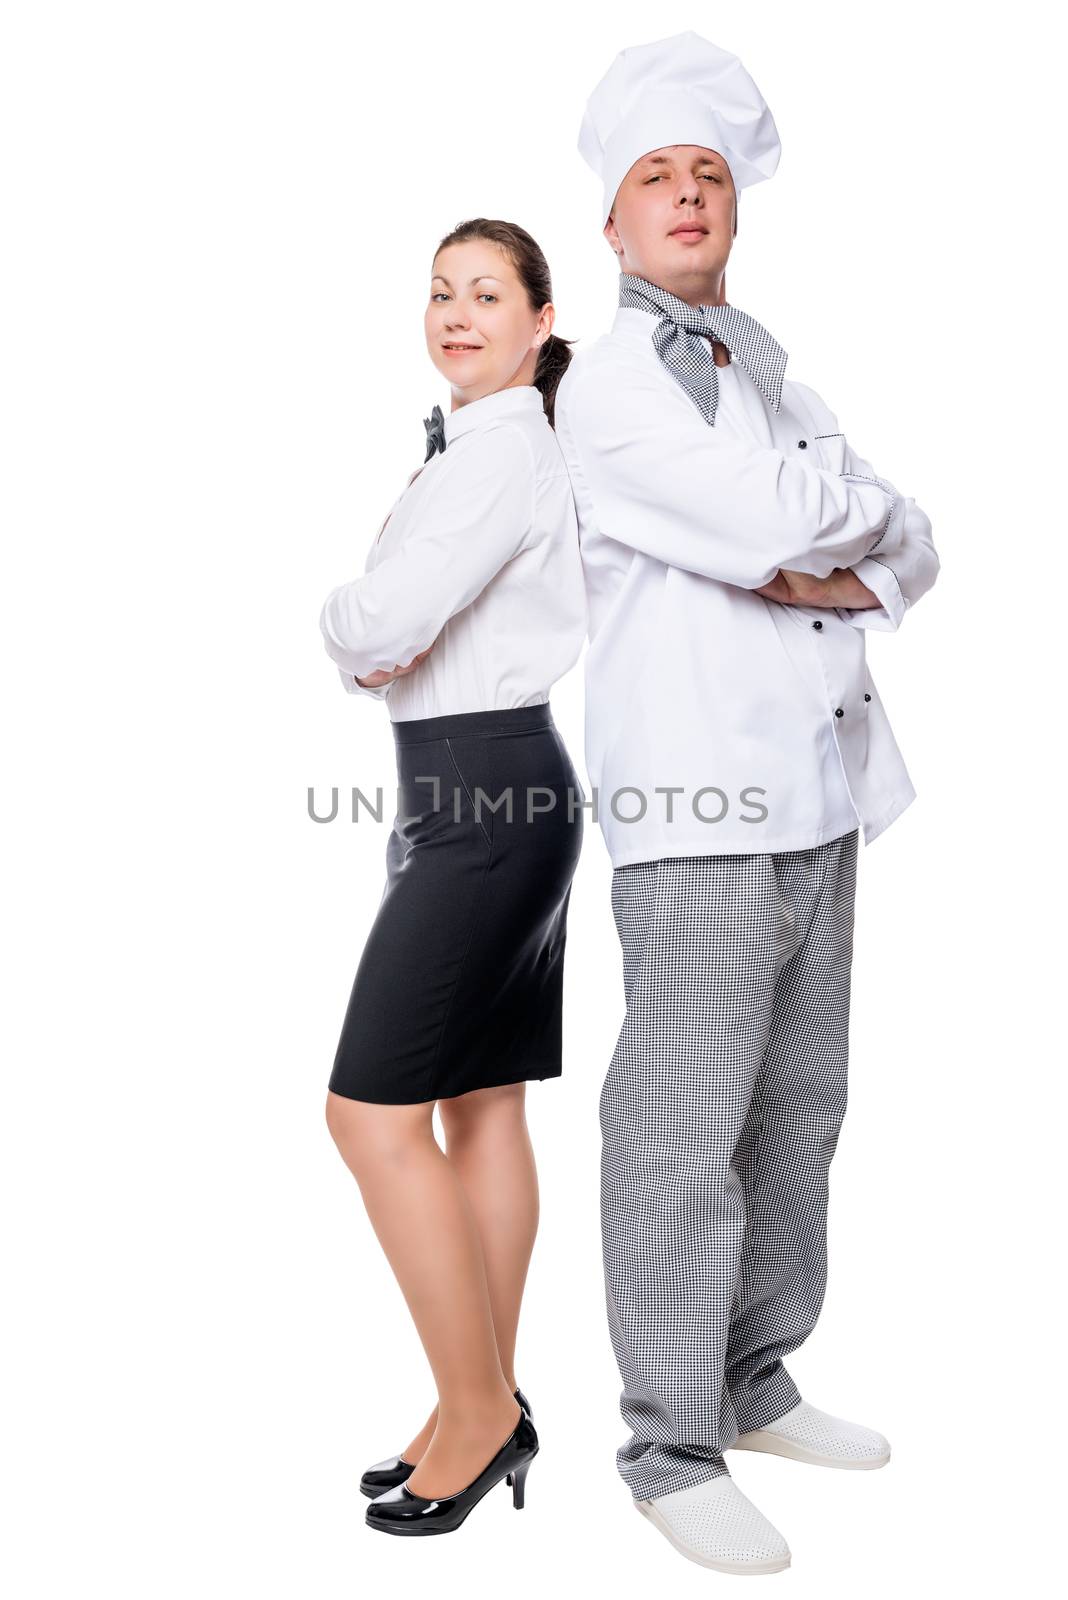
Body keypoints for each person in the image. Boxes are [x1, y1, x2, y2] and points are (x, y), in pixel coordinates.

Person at [552, 30, 940, 1576]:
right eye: (659, 175)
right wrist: (818, 529)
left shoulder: (777, 372)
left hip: (824, 792)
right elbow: (772, 515)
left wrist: (834, 539)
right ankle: (666, 1438)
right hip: (699, 801)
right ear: (615, 223)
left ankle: (753, 1372)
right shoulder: (604, 384)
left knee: (800, 1110)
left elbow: (911, 541)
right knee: (680, 1123)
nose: (690, 192)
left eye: (709, 172)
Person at [319, 218, 587, 1537]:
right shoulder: (477, 445)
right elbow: (404, 622)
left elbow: (382, 619)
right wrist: (385, 630)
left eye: (489, 294)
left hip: (484, 793)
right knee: (479, 1109)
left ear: (542, 322)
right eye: (441, 292)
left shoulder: (502, 454)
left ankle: (481, 1410)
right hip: (477, 786)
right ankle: (472, 1394)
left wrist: (351, 623)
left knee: (368, 1120)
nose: (457, 312)